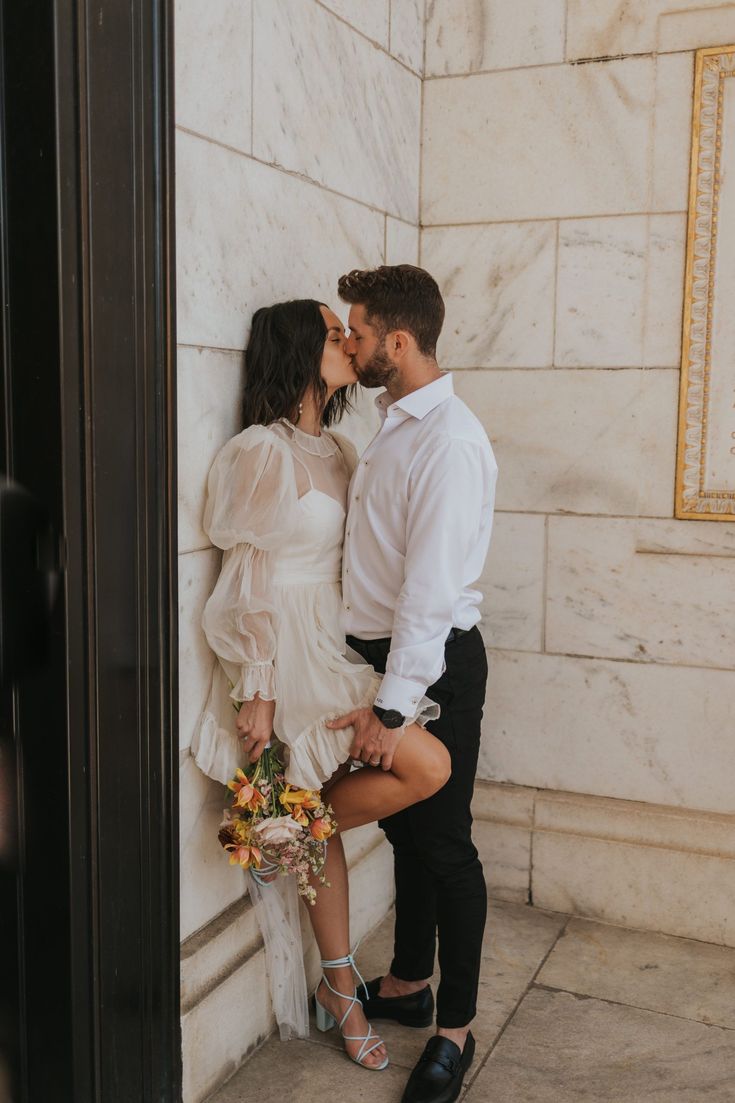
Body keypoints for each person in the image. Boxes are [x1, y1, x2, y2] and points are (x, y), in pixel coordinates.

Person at [192, 298, 451, 1072]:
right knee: (323, 811)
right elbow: (248, 576)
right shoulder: (259, 451)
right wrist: (259, 686)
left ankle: (291, 824)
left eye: (349, 331)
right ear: (300, 348)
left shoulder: (340, 448)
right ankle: (340, 990)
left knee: (421, 766)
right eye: (333, 333)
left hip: (329, 642)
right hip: (280, 652)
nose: (347, 341)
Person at [326, 265, 498, 1103]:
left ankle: (454, 1030)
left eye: (355, 331)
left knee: (444, 844)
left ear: (396, 341)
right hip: (384, 660)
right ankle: (406, 983)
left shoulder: (449, 439)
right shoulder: (394, 421)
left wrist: (393, 706)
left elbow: (428, 591)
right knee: (406, 838)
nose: (349, 344)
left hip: (428, 667)